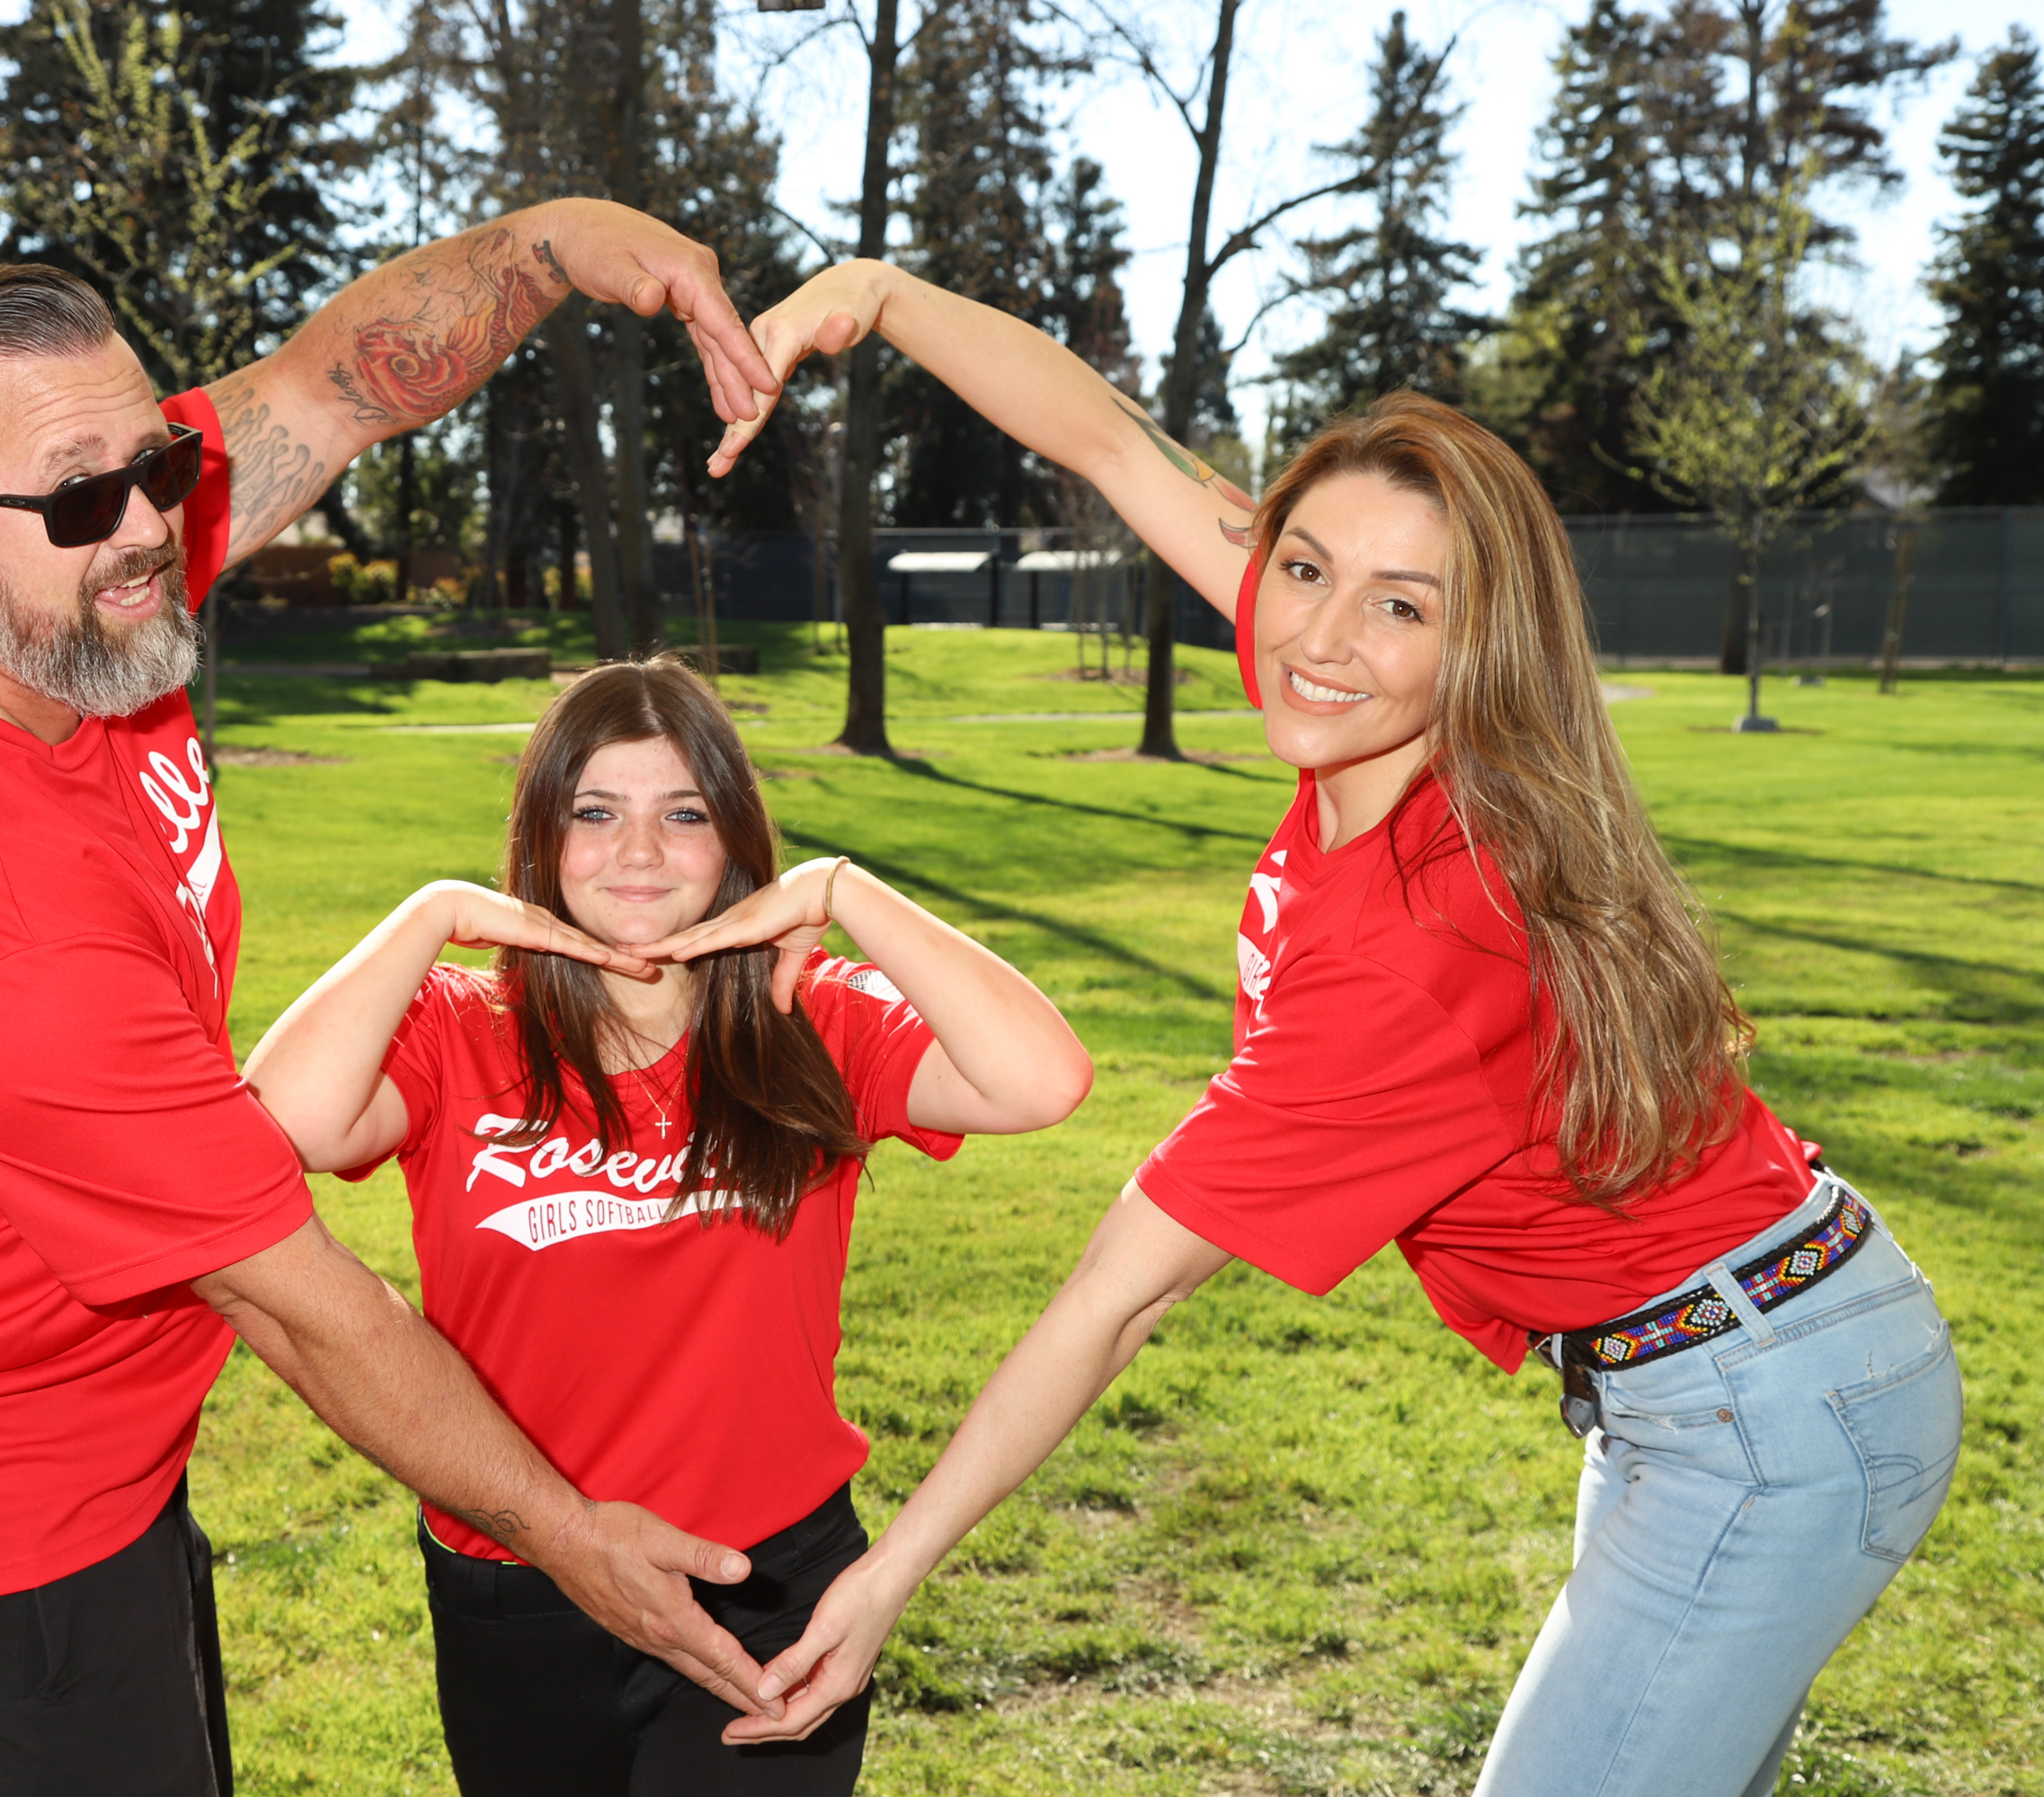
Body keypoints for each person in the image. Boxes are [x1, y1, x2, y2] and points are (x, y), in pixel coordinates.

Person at [698, 261, 1966, 1797]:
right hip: (1748, 1362)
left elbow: (1115, 1301)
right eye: (1300, 569)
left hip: (1763, 1411)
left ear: (1476, 643)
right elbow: (1105, 441)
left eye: (1401, 606)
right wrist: (880, 298)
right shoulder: (1412, 730)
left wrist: (884, 1575)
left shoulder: (1412, 956)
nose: (1319, 634)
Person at [0, 201, 792, 1797]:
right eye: (87, 496)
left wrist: (560, 245)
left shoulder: (44, 588)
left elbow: (328, 390)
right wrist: (568, 1535)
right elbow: (299, 1302)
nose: (150, 524)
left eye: (156, 462)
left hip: (76, 1441)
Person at [237, 655, 1092, 1795]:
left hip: (765, 1585)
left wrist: (843, 889)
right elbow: (281, 1123)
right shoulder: (457, 1026)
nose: (637, 851)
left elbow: (1042, 1080)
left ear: (733, 839)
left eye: (682, 814)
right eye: (594, 812)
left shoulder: (811, 1021)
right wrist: (431, 912)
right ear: (541, 837)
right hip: (520, 1579)